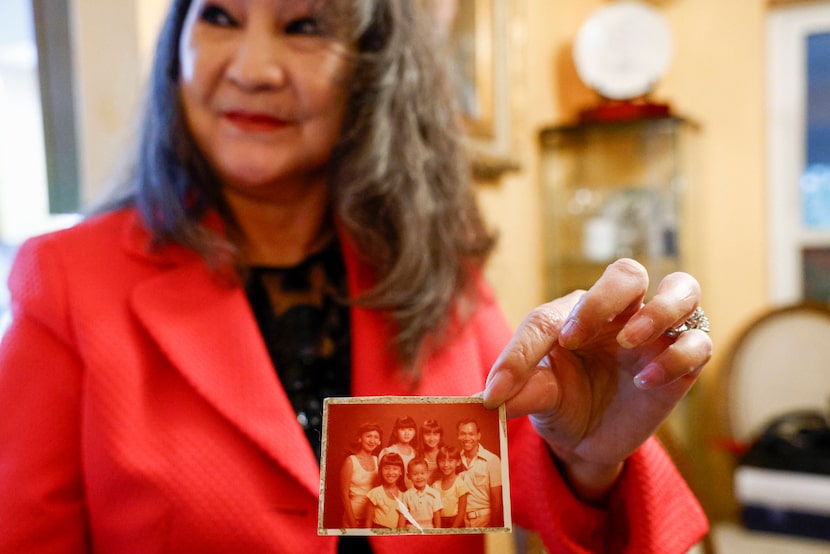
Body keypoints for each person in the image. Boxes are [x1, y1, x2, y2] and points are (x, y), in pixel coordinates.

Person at [0, 0, 713, 553]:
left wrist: (586, 458)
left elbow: (541, 488)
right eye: (218, 15)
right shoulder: (68, 283)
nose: (252, 67)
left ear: (375, 67)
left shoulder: (437, 273)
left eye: (304, 24)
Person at [456, 418, 502, 528]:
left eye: (471, 434)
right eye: (463, 434)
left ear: (478, 435)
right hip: (461, 522)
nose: (467, 438)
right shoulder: (455, 460)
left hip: (484, 520)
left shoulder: (492, 460)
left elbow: (497, 500)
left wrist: (494, 528)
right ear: (457, 435)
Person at [340, 422, 382, 528]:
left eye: (376, 437)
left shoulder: (378, 461)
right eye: (368, 436)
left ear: (379, 442)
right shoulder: (350, 461)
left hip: (372, 518)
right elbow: (344, 494)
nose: (372, 440)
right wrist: (352, 523)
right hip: (353, 517)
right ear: (360, 438)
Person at [364, 453, 407, 529]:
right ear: (380, 470)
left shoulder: (404, 496)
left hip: (394, 536)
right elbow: (368, 523)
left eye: (395, 469)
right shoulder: (375, 493)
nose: (390, 472)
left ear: (401, 472)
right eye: (386, 468)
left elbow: (401, 527)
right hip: (377, 532)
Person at [397, 458, 442, 530]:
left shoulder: (434, 494)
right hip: (411, 529)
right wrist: (400, 534)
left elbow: (437, 516)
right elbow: (402, 516)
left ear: (428, 474)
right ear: (408, 476)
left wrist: (437, 533)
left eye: (422, 473)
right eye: (415, 474)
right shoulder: (406, 495)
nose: (419, 477)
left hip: (429, 529)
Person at [432, 446, 470, 529]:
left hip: (456, 523)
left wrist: (452, 530)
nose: (446, 464)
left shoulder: (460, 484)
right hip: (439, 522)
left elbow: (461, 513)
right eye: (442, 461)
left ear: (458, 462)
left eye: (450, 461)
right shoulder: (435, 485)